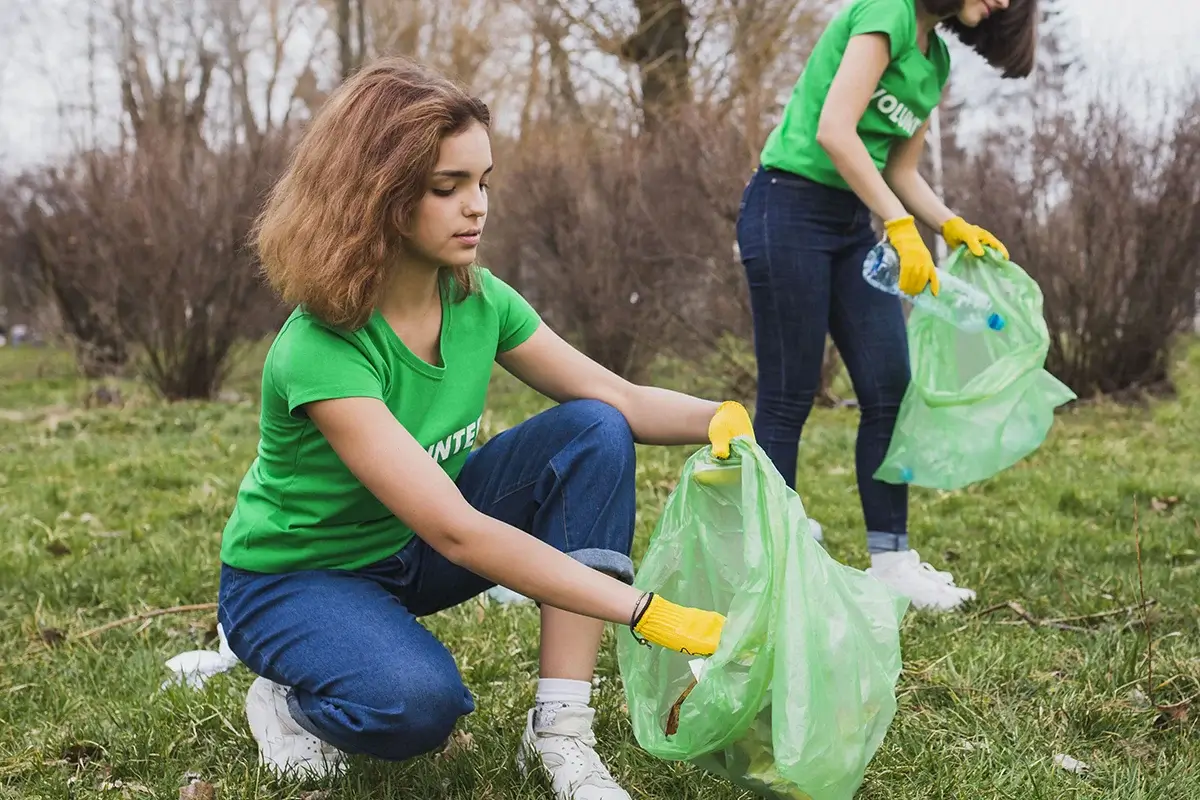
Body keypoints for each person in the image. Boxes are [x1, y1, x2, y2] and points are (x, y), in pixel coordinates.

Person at [216, 57, 753, 799]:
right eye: (448, 188)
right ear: (377, 195)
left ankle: (560, 731)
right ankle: (291, 703)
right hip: (299, 579)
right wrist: (643, 611)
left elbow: (617, 396)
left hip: (409, 550)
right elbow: (458, 531)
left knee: (593, 430)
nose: (477, 207)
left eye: (483, 182)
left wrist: (720, 419)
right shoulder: (321, 346)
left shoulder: (479, 300)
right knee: (417, 706)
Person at [735, 0, 1037, 611]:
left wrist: (949, 225)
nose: (1005, 2)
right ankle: (770, 554)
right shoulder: (887, 11)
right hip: (787, 208)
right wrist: (900, 226)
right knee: (790, 394)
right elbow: (835, 131)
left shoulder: (935, 59)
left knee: (889, 389)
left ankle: (892, 561)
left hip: (851, 224)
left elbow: (901, 169)